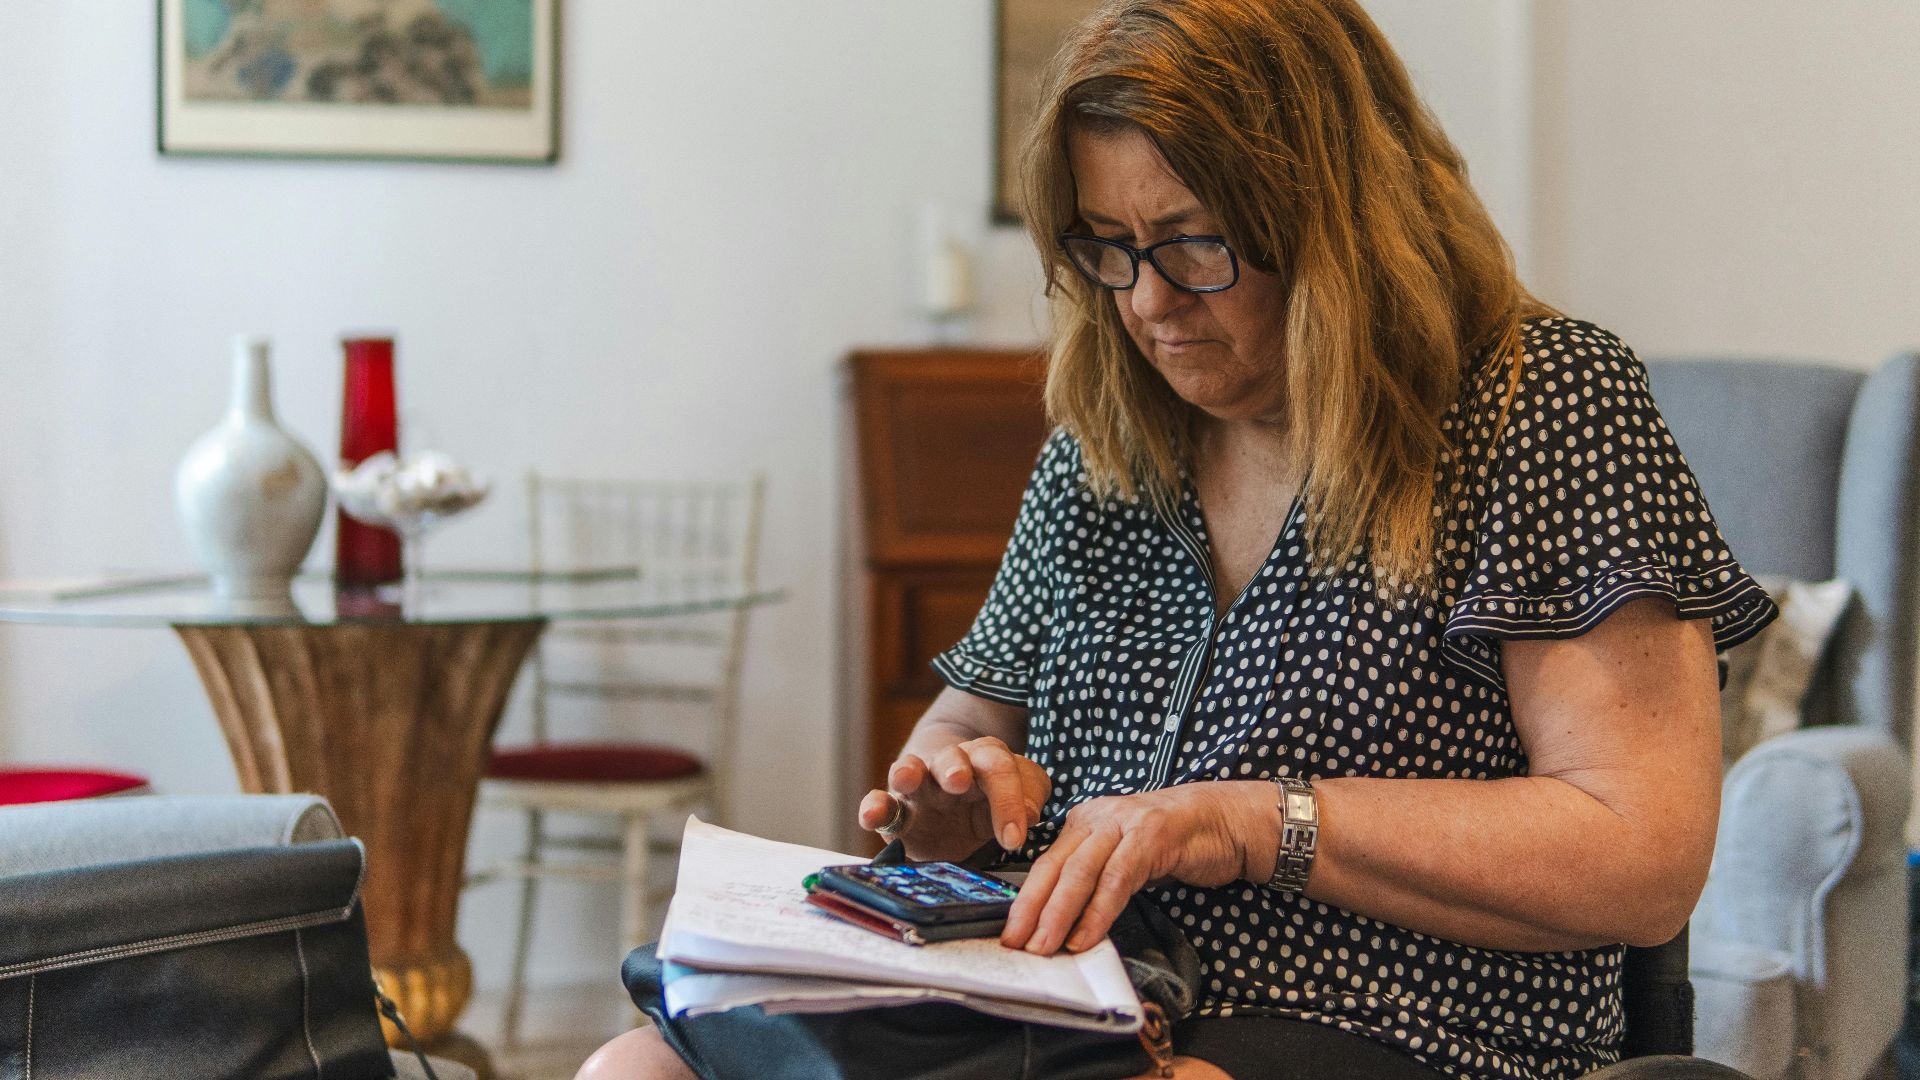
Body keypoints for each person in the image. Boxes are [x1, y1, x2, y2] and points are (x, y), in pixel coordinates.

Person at [580, 1, 1775, 1077]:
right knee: (638, 1067)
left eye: (1195, 242)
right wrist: (948, 794)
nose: (1147, 300)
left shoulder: (1537, 401)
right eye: (1108, 244)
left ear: (1338, 223)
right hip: (1079, 1002)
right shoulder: (1107, 443)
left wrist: (1251, 822)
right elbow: (970, 721)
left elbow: (1640, 852)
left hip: (1402, 1021)